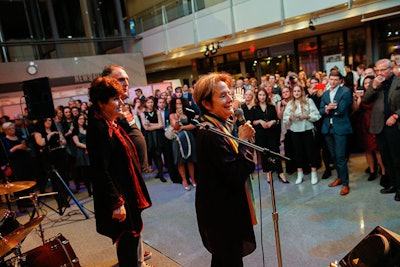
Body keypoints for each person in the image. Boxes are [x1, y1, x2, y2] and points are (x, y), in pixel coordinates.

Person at [86, 77, 152, 267]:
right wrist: (116, 202)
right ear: (101, 103)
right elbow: (100, 170)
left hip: (127, 191)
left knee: (131, 242)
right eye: (115, 99)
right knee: (127, 246)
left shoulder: (109, 123)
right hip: (120, 197)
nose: (121, 103)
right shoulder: (98, 128)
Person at [193, 72, 256, 267]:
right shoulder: (211, 134)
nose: (230, 99)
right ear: (206, 104)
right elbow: (236, 175)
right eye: (222, 96)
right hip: (221, 215)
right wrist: (244, 141)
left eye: (229, 94)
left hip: (223, 211)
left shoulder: (218, 126)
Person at [362, 58, 400, 201]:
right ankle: (392, 184)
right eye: (377, 70)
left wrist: (396, 115)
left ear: (391, 69)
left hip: (395, 126)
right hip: (379, 126)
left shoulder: (398, 82)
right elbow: (365, 100)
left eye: (382, 70)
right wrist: (374, 86)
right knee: (386, 158)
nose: (379, 73)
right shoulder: (375, 83)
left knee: (397, 158)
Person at [102, 65, 149, 174]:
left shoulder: (121, 103)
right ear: (108, 81)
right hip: (125, 171)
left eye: (127, 79)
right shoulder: (105, 109)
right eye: (121, 80)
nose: (126, 83)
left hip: (136, 169)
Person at [319, 70, 353, 195]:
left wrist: (330, 109)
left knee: (340, 156)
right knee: (333, 156)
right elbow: (321, 111)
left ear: (340, 81)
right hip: (328, 128)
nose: (333, 82)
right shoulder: (326, 93)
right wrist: (328, 108)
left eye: (335, 80)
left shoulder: (345, 91)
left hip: (340, 127)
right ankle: (339, 178)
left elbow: (342, 109)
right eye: (331, 79)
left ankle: (345, 183)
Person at [283, 85, 321, 185]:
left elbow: (317, 115)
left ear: (302, 92)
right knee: (297, 152)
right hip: (295, 131)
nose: (296, 93)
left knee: (311, 151)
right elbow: (285, 119)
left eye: (298, 91)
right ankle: (300, 174)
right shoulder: (290, 103)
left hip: (307, 129)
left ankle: (314, 173)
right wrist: (290, 118)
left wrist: (306, 116)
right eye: (294, 91)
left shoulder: (309, 101)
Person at [252, 87, 289, 183]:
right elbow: (252, 122)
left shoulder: (271, 107)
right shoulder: (254, 108)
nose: (262, 97)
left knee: (275, 151)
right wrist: (260, 121)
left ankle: (280, 172)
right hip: (260, 134)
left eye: (264, 95)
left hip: (272, 133)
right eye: (260, 95)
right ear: (257, 96)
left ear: (266, 96)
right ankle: (268, 172)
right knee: (264, 153)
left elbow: (277, 120)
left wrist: (272, 121)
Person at [352, 76, 385, 182]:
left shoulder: (378, 93)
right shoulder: (363, 95)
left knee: (377, 150)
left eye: (369, 82)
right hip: (363, 125)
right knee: (367, 150)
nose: (367, 85)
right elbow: (356, 109)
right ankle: (372, 171)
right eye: (365, 83)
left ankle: (384, 172)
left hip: (375, 122)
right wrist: (358, 98)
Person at [169, 97, 197, 190]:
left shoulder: (188, 113)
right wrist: (178, 118)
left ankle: (193, 179)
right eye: (177, 104)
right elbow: (176, 127)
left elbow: (193, 125)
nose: (179, 105)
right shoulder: (172, 115)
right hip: (177, 140)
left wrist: (182, 127)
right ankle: (184, 180)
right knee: (180, 161)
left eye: (180, 103)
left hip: (189, 137)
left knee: (190, 159)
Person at [140, 96, 167, 182]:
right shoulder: (142, 113)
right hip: (149, 137)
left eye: (151, 102)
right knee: (153, 154)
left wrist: (150, 124)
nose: (150, 104)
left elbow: (161, 125)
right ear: (145, 104)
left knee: (158, 154)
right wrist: (156, 126)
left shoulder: (157, 112)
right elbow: (146, 128)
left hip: (158, 136)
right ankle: (159, 172)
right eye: (148, 102)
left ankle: (161, 173)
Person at [72, 113, 92, 196]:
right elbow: (77, 143)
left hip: (90, 150)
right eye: (80, 119)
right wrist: (87, 147)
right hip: (82, 152)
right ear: (77, 120)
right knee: (85, 173)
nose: (82, 120)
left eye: (83, 119)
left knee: (92, 171)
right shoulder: (75, 130)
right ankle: (89, 191)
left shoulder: (87, 128)